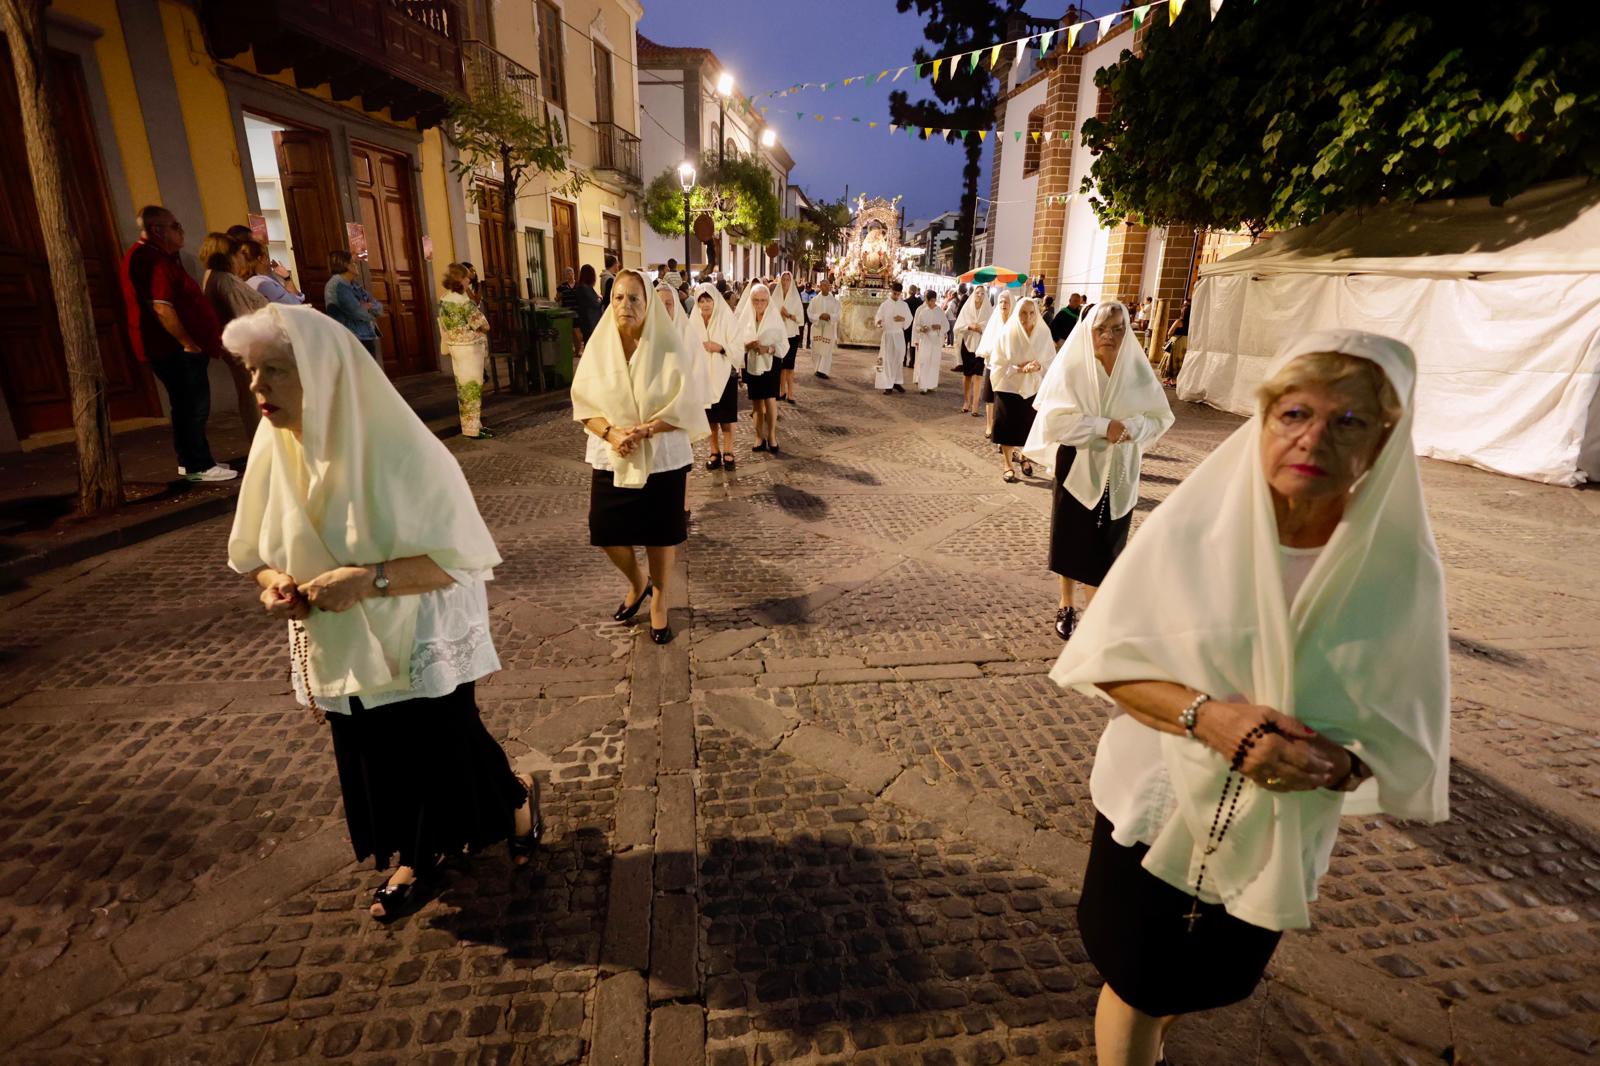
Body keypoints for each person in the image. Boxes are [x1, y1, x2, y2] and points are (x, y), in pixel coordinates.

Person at [1049, 330, 1446, 1066]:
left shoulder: (1399, 573)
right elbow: (1106, 660)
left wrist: (1336, 765)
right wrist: (1214, 719)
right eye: (1295, 413)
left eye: (1348, 421)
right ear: (1264, 419)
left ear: (1386, 438)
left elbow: (1394, 734)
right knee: (1135, 984)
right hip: (1152, 808)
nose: (1314, 438)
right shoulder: (1198, 531)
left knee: (1194, 984)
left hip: (1274, 828)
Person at [224, 303, 540, 923]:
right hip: (340, 641)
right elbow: (255, 551)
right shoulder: (273, 445)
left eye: (276, 371)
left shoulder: (407, 451)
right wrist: (275, 584)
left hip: (417, 630)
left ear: (323, 372)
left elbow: (462, 560)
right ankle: (416, 856)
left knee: (447, 748)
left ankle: (515, 803)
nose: (258, 387)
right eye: (251, 370)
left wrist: (367, 580)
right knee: (377, 758)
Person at [571, 270, 711, 645]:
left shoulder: (667, 345)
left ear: (647, 305)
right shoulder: (600, 346)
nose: (626, 306)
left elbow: (685, 403)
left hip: (662, 453)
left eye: (634, 298)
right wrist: (612, 432)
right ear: (609, 302)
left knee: (660, 532)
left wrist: (648, 429)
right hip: (611, 450)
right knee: (604, 528)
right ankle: (638, 582)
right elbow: (583, 401)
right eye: (618, 298)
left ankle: (661, 599)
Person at [1023, 302, 1173, 641]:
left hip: (1119, 470)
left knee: (1108, 542)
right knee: (1070, 537)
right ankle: (1066, 603)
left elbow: (1161, 418)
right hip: (1078, 466)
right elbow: (1054, 421)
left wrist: (1132, 427)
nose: (1109, 336)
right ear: (1089, 332)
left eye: (1117, 329)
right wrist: (1102, 426)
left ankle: (1097, 613)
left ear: (1126, 332)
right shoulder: (1073, 368)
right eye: (1101, 329)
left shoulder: (1136, 371)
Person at [119, 206, 237, 482]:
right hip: (174, 350)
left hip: (176, 349)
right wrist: (188, 342)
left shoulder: (163, 257)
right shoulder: (152, 260)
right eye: (176, 226)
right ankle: (198, 465)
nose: (181, 231)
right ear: (158, 230)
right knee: (192, 406)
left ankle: (192, 461)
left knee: (187, 406)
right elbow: (162, 307)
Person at [200, 231, 268, 440]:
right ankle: (263, 445)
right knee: (257, 398)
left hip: (238, 348)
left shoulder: (214, 276)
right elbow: (244, 316)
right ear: (229, 255)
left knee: (251, 397)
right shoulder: (226, 281)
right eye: (240, 254)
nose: (242, 259)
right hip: (248, 349)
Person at [989, 297, 1056, 482]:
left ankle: (1025, 457)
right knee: (1008, 427)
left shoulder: (1044, 334)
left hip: (1034, 387)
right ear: (1017, 314)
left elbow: (1051, 361)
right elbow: (997, 363)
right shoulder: (1007, 333)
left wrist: (1038, 367)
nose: (1028, 317)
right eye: (1023, 313)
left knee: (1029, 427)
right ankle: (1008, 464)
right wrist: (1018, 368)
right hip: (1009, 387)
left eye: (1032, 312)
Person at [688, 282, 743, 470]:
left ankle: (728, 451)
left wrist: (719, 348)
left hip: (725, 374)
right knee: (710, 418)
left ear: (715, 300)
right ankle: (714, 451)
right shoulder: (693, 321)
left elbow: (738, 346)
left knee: (726, 418)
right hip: (703, 376)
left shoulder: (727, 318)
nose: (705, 304)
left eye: (708, 299)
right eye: (701, 300)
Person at [437, 263, 494, 439]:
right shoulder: (463, 302)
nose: (469, 279)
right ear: (458, 280)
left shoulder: (444, 299)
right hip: (470, 349)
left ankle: (472, 425)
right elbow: (483, 324)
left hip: (455, 348)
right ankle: (473, 429)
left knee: (463, 388)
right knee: (473, 388)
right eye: (465, 277)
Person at [736, 282, 786, 453]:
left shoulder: (774, 318)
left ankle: (772, 435)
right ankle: (759, 436)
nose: (759, 304)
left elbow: (783, 346)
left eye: (763, 300)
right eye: (756, 300)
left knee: (770, 400)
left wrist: (768, 348)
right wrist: (747, 345)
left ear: (768, 301)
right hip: (752, 363)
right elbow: (737, 342)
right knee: (757, 403)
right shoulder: (746, 318)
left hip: (771, 363)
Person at [324, 250, 384, 358]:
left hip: (365, 335)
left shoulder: (354, 284)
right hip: (352, 337)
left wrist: (367, 307)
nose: (356, 265)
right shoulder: (338, 285)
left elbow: (379, 307)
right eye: (353, 262)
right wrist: (367, 309)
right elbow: (357, 312)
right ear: (346, 265)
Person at [974, 289, 1016, 438]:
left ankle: (1001, 426)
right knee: (990, 397)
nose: (1004, 304)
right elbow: (988, 340)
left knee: (1003, 397)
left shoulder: (1015, 322)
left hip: (1009, 367)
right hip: (993, 364)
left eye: (1006, 302)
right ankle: (989, 425)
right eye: (1001, 302)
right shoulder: (995, 320)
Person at [953, 286, 991, 415]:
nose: (979, 295)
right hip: (967, 343)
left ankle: (975, 406)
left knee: (979, 375)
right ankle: (966, 401)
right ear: (974, 294)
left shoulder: (988, 310)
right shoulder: (967, 308)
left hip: (981, 345)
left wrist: (981, 329)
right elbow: (958, 326)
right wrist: (969, 326)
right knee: (967, 374)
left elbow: (991, 326)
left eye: (982, 293)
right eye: (977, 293)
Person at [872, 283, 912, 395]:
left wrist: (902, 318)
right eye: (894, 293)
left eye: (898, 294)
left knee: (899, 359)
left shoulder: (904, 305)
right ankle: (887, 384)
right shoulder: (885, 305)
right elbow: (878, 318)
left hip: (899, 334)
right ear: (891, 291)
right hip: (888, 335)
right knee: (887, 359)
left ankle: (896, 382)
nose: (896, 296)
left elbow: (909, 318)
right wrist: (878, 322)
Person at [773, 271, 805, 404]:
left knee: (789, 366)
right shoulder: (776, 297)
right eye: (783, 280)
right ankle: (782, 391)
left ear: (791, 282)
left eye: (788, 280)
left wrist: (788, 315)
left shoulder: (795, 298)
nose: (785, 282)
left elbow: (800, 319)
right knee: (780, 366)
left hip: (791, 335)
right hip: (779, 335)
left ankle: (791, 392)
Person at [912, 291, 948, 394]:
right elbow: (916, 326)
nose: (932, 303)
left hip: (936, 341)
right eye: (930, 301)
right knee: (924, 362)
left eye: (933, 300)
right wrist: (921, 329)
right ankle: (923, 386)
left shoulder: (939, 311)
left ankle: (931, 384)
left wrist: (939, 327)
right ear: (926, 300)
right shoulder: (922, 312)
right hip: (925, 340)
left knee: (934, 363)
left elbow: (946, 326)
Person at [808, 278, 842, 379]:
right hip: (817, 327)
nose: (826, 287)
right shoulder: (814, 300)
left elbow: (838, 313)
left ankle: (823, 370)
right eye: (823, 285)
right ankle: (816, 368)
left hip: (828, 328)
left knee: (827, 349)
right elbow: (810, 313)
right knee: (816, 348)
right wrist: (819, 316)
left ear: (830, 287)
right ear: (820, 287)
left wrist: (830, 316)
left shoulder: (834, 301)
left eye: (827, 285)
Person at [1158, 300, 1191, 386]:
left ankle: (1173, 381)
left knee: (1173, 360)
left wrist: (1169, 338)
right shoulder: (1191, 322)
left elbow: (1170, 332)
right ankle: (1176, 380)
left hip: (1177, 341)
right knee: (1181, 361)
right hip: (1186, 342)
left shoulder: (1179, 321)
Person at [573, 264, 605, 348]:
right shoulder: (585, 288)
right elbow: (595, 303)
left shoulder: (581, 287)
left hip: (586, 320)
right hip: (591, 321)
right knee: (592, 345)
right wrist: (601, 299)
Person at [902, 285, 921, 368]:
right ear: (916, 291)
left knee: (904, 344)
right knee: (913, 344)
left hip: (906, 325)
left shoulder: (905, 302)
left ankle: (904, 360)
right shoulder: (920, 302)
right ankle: (912, 362)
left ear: (909, 291)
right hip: (915, 325)